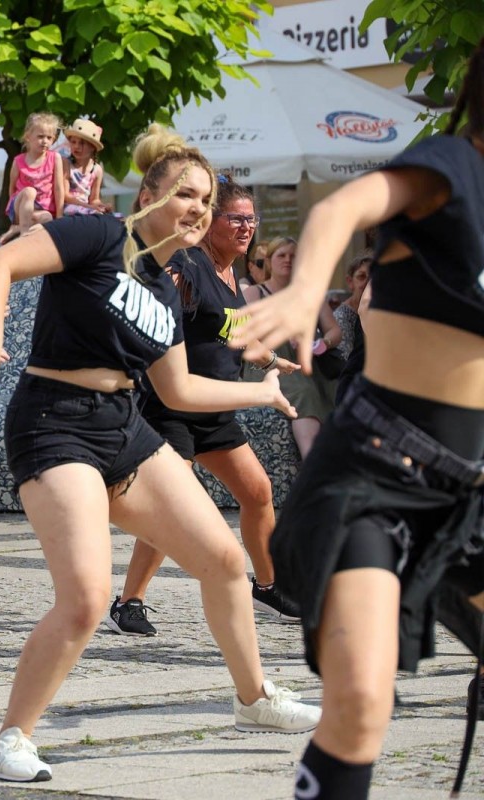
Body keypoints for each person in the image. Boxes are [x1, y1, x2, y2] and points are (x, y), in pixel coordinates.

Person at [0, 123, 320, 783]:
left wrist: (258, 393)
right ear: (148, 191)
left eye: (206, 200)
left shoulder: (166, 283)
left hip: (124, 426)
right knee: (88, 596)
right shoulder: (98, 234)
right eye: (186, 194)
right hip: (54, 422)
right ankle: (9, 739)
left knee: (225, 560)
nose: (198, 210)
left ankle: (254, 697)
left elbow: (175, 387)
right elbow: (0, 264)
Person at [229, 37, 484, 800]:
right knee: (363, 703)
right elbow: (342, 207)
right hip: (375, 476)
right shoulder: (450, 167)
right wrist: (307, 292)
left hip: (469, 497)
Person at [108, 177, 301, 637]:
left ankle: (268, 586)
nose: (245, 227)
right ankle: (128, 601)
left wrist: (274, 360)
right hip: (171, 406)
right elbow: (147, 302)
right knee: (172, 507)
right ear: (212, 221)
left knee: (257, 491)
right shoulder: (186, 265)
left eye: (250, 219)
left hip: (215, 410)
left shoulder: (233, 276)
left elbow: (233, 337)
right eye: (235, 217)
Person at [244, 237, 341, 459]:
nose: (288, 260)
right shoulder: (254, 294)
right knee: (304, 393)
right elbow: (244, 335)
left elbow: (335, 331)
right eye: (281, 255)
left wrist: (321, 343)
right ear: (268, 261)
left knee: (334, 388)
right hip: (269, 364)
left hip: (307, 363)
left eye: (294, 255)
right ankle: (312, 463)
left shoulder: (310, 295)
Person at [5, 112, 65, 237]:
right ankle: (24, 231)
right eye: (40, 136)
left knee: (48, 218)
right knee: (29, 192)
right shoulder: (18, 161)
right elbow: (12, 189)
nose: (45, 141)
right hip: (20, 205)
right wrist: (14, 216)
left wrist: (59, 216)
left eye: (49, 138)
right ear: (28, 137)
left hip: (40, 210)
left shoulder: (55, 158)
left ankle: (18, 228)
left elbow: (58, 188)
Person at [61, 118, 110, 216]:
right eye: (73, 142)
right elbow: (65, 196)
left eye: (82, 143)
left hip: (87, 209)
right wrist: (88, 207)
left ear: (92, 147)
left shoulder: (97, 170)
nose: (76, 146)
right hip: (68, 208)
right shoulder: (66, 163)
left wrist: (102, 206)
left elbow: (94, 199)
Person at [333, 249, 371, 361]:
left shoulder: (380, 311)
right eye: (361, 277)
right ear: (350, 282)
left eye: (372, 277)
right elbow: (347, 358)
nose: (367, 282)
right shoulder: (342, 317)